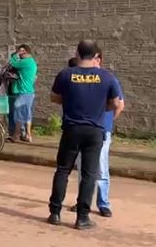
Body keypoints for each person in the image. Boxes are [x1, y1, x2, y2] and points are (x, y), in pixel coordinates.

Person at [47, 40, 121, 230]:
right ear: (96, 56)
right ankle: (82, 218)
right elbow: (116, 103)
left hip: (72, 129)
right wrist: (99, 107)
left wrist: (71, 100)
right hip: (95, 131)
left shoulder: (65, 74)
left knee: (63, 170)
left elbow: (54, 98)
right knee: (89, 174)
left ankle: (55, 213)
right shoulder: (107, 77)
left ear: (77, 53)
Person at [69, 50, 124, 218]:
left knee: (100, 167)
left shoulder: (108, 79)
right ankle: (82, 202)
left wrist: (106, 122)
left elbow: (119, 105)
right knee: (83, 168)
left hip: (101, 131)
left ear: (98, 60)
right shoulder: (81, 79)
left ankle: (103, 203)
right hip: (82, 130)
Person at [8, 44, 38, 143]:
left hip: (23, 91)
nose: (19, 54)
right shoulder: (31, 62)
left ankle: (16, 135)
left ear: (23, 51)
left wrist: (15, 55)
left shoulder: (26, 62)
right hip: (28, 91)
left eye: (20, 52)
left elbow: (12, 63)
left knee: (19, 113)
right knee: (26, 114)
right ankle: (28, 136)